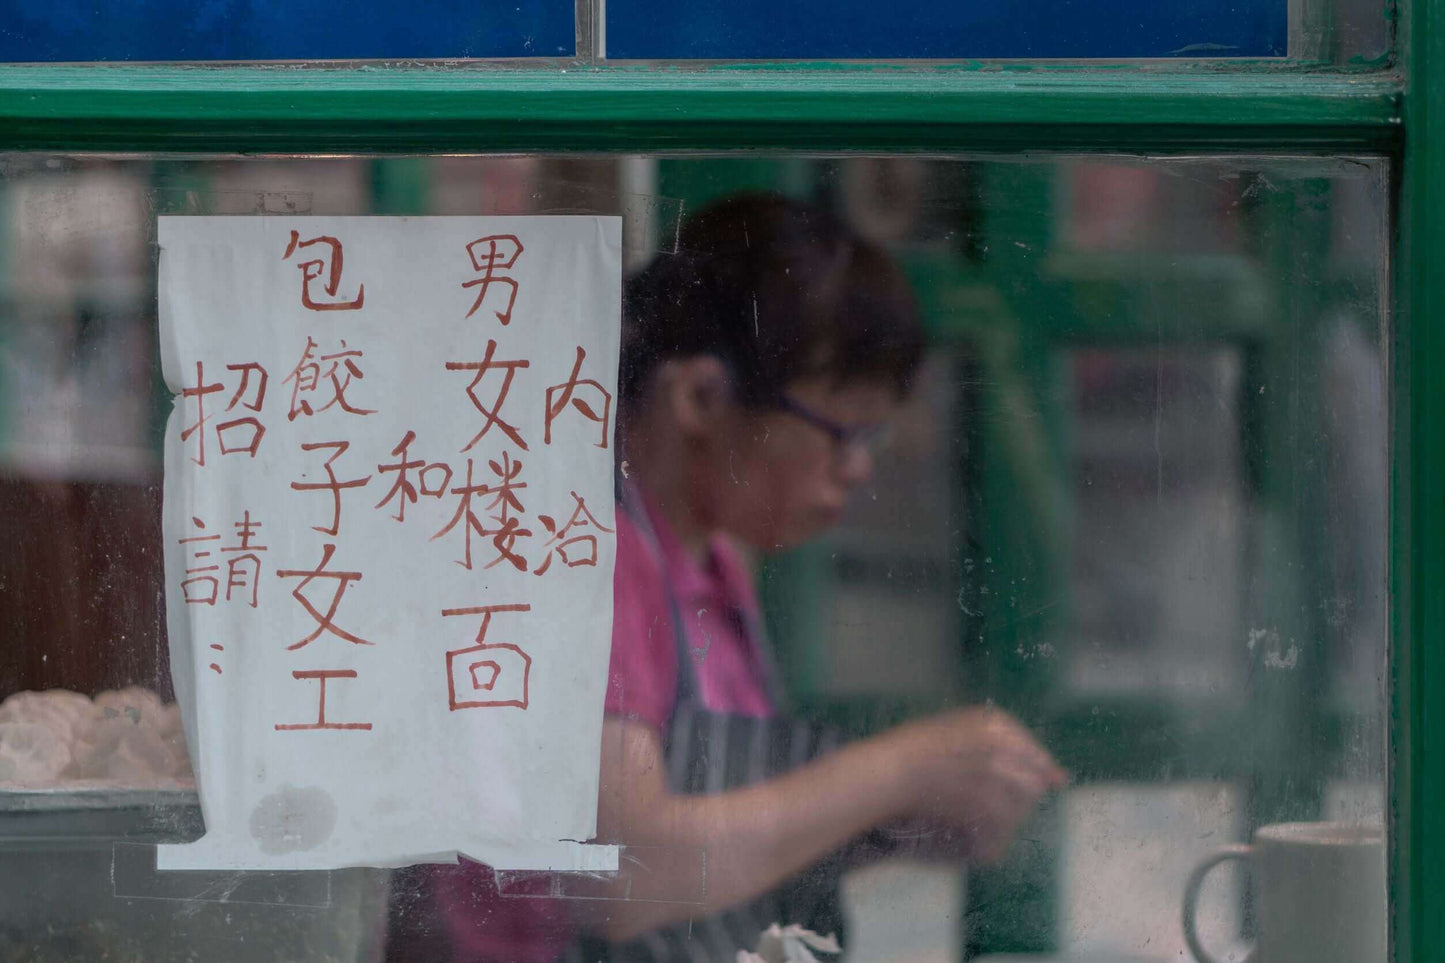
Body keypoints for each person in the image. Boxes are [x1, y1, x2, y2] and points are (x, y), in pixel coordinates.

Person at [409, 192, 1065, 961]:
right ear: (699, 397)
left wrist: (901, 813)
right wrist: (899, 771)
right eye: (840, 431)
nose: (857, 469)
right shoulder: (588, 554)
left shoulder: (712, 569)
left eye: (872, 436)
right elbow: (620, 876)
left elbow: (711, 846)